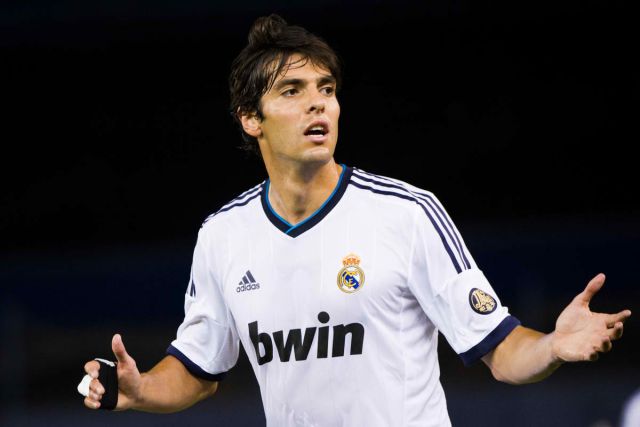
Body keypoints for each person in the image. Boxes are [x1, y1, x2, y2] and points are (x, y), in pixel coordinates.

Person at [79, 14, 631, 426]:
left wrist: (552, 346)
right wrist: (140, 389)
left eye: (327, 89)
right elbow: (198, 371)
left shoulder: (406, 213)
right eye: (292, 92)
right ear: (250, 119)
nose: (318, 104)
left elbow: (502, 351)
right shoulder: (222, 236)